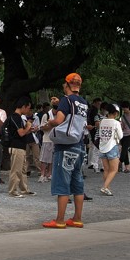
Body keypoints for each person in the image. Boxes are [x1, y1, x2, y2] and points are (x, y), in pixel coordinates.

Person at [42, 73, 89, 228]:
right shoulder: (83, 103)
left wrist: (49, 122)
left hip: (65, 146)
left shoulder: (66, 100)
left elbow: (58, 121)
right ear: (79, 85)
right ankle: (77, 218)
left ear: (67, 85)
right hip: (79, 145)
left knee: (62, 181)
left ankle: (60, 220)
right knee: (77, 182)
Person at [6, 97, 36, 197]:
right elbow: (21, 133)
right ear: (23, 107)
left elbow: (22, 132)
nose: (28, 111)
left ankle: (24, 189)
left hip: (21, 146)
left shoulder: (18, 118)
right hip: (16, 147)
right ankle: (13, 191)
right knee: (16, 170)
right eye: (28, 108)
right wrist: (28, 126)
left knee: (23, 170)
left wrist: (29, 129)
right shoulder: (15, 117)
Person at [97, 102, 122, 196]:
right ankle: (104, 187)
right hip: (112, 147)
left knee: (106, 169)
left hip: (102, 147)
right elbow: (121, 135)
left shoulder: (102, 121)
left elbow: (100, 134)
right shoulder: (116, 123)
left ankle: (107, 188)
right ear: (116, 113)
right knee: (114, 169)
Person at [119, 101, 130, 173]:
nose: (124, 110)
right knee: (125, 151)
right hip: (123, 135)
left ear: (128, 107)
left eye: (124, 108)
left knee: (124, 150)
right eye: (123, 109)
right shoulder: (123, 116)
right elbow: (122, 126)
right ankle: (127, 167)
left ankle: (119, 163)